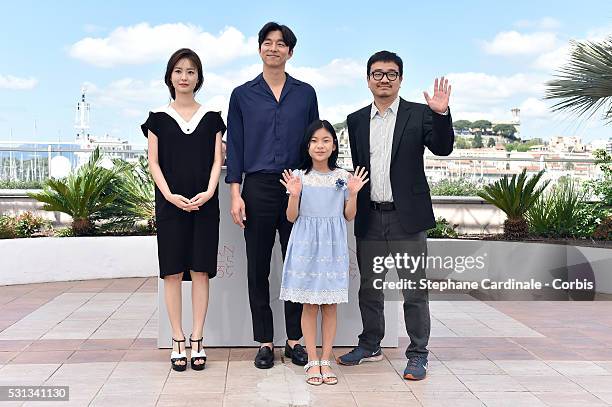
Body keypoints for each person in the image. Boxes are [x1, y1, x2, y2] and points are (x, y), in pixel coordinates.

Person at [337, 51, 454, 381]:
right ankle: (371, 344)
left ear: (400, 79)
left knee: (414, 290)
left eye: (391, 74)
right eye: (377, 73)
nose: (384, 79)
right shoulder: (356, 119)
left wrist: (442, 114)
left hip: (407, 218)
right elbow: (360, 167)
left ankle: (418, 354)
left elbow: (443, 148)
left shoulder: (420, 114)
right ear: (368, 79)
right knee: (369, 288)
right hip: (370, 217)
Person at [225, 22, 319, 369]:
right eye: (268, 43)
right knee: (258, 269)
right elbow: (234, 147)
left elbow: (316, 143)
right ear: (260, 49)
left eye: (281, 44)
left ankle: (294, 340)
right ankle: (265, 341)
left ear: (290, 52)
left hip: (297, 186)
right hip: (258, 187)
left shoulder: (306, 93)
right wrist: (236, 194)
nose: (274, 48)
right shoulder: (242, 95)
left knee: (296, 266)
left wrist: (314, 184)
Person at [141, 48, 225, 372]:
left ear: (198, 78)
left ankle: (198, 337)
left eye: (191, 71)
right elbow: (154, 163)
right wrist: (170, 196)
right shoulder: (157, 118)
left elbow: (217, 160)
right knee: (172, 272)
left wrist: (208, 192)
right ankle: (177, 338)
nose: (184, 77)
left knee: (201, 270)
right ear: (170, 77)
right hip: (170, 206)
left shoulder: (213, 117)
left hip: (205, 204)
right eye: (179, 71)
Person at [279, 120, 368, 385]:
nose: (320, 145)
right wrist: (294, 195)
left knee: (329, 306)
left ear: (334, 145)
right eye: (315, 140)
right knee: (309, 304)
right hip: (305, 245)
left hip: (333, 247)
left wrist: (353, 194)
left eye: (326, 140)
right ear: (307, 145)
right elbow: (291, 217)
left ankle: (326, 359)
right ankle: (312, 360)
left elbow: (348, 216)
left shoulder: (343, 177)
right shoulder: (298, 176)